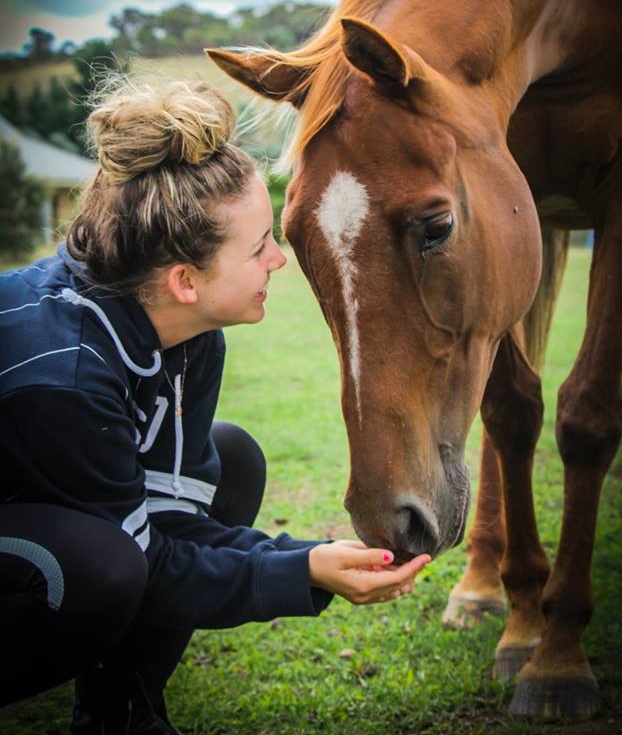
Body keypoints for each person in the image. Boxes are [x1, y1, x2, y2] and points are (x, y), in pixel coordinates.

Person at [0, 75, 429, 734]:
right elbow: (144, 564)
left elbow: (170, 525)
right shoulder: (66, 377)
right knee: (101, 570)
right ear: (184, 280)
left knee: (229, 459)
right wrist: (302, 573)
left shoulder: (188, 333)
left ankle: (122, 714)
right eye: (260, 246)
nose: (278, 262)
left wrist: (306, 561)